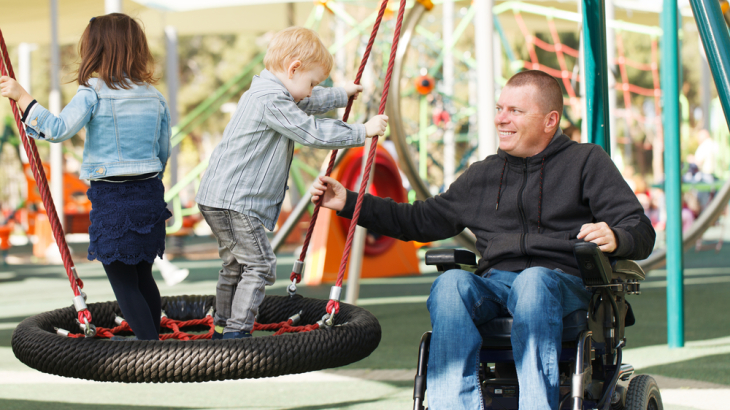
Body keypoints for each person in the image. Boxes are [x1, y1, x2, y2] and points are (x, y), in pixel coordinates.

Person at [310, 70, 655, 409]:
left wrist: (616, 236)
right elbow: (418, 220)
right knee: (451, 285)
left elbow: (639, 228)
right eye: (499, 109)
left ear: (550, 121)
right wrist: (349, 202)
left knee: (533, 283)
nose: (500, 120)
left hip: (562, 284)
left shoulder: (586, 162)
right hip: (497, 286)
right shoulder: (483, 175)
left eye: (515, 111)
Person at [195, 26, 388, 340]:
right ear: (293, 67)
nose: (312, 90)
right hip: (236, 202)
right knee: (259, 264)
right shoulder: (272, 100)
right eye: (312, 82)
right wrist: (361, 131)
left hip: (217, 197)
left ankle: (222, 325)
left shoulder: (266, 90)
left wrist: (341, 94)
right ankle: (236, 334)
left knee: (235, 263)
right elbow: (310, 130)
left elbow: (305, 100)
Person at [0, 14, 171, 341]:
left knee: (122, 279)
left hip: (114, 197)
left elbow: (58, 129)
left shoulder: (93, 92)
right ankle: (156, 340)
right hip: (150, 193)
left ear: (96, 48)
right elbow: (164, 149)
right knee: (142, 274)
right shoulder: (154, 95)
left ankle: (151, 347)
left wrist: (23, 96)